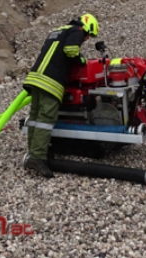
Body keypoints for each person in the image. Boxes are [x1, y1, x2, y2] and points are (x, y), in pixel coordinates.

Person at [22, 13, 99, 178]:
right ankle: (38, 157)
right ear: (87, 27)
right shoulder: (76, 31)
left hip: (35, 78)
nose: (86, 39)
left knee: (35, 117)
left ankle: (33, 153)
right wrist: (82, 61)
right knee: (45, 120)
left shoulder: (58, 31)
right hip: (50, 81)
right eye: (88, 35)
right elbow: (70, 50)